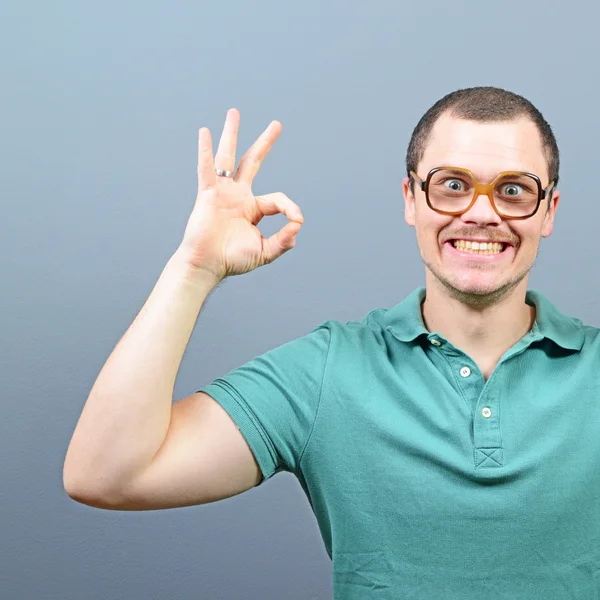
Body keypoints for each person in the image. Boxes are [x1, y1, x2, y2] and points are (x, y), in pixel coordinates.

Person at [63, 86, 600, 599]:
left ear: (548, 210)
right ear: (411, 198)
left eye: (513, 190)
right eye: (453, 185)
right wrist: (194, 269)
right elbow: (107, 474)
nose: (482, 213)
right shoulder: (329, 371)